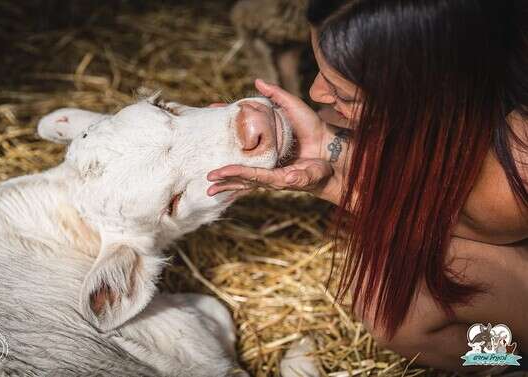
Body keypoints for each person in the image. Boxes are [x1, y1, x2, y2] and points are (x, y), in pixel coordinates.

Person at [207, 0, 528, 374]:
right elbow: (444, 212)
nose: (314, 92)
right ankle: (505, 357)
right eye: (319, 69)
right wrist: (326, 154)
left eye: (344, 93)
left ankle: (514, 359)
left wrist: (339, 170)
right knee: (393, 310)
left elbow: (473, 219)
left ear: (432, 93)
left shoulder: (519, 160)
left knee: (401, 305)